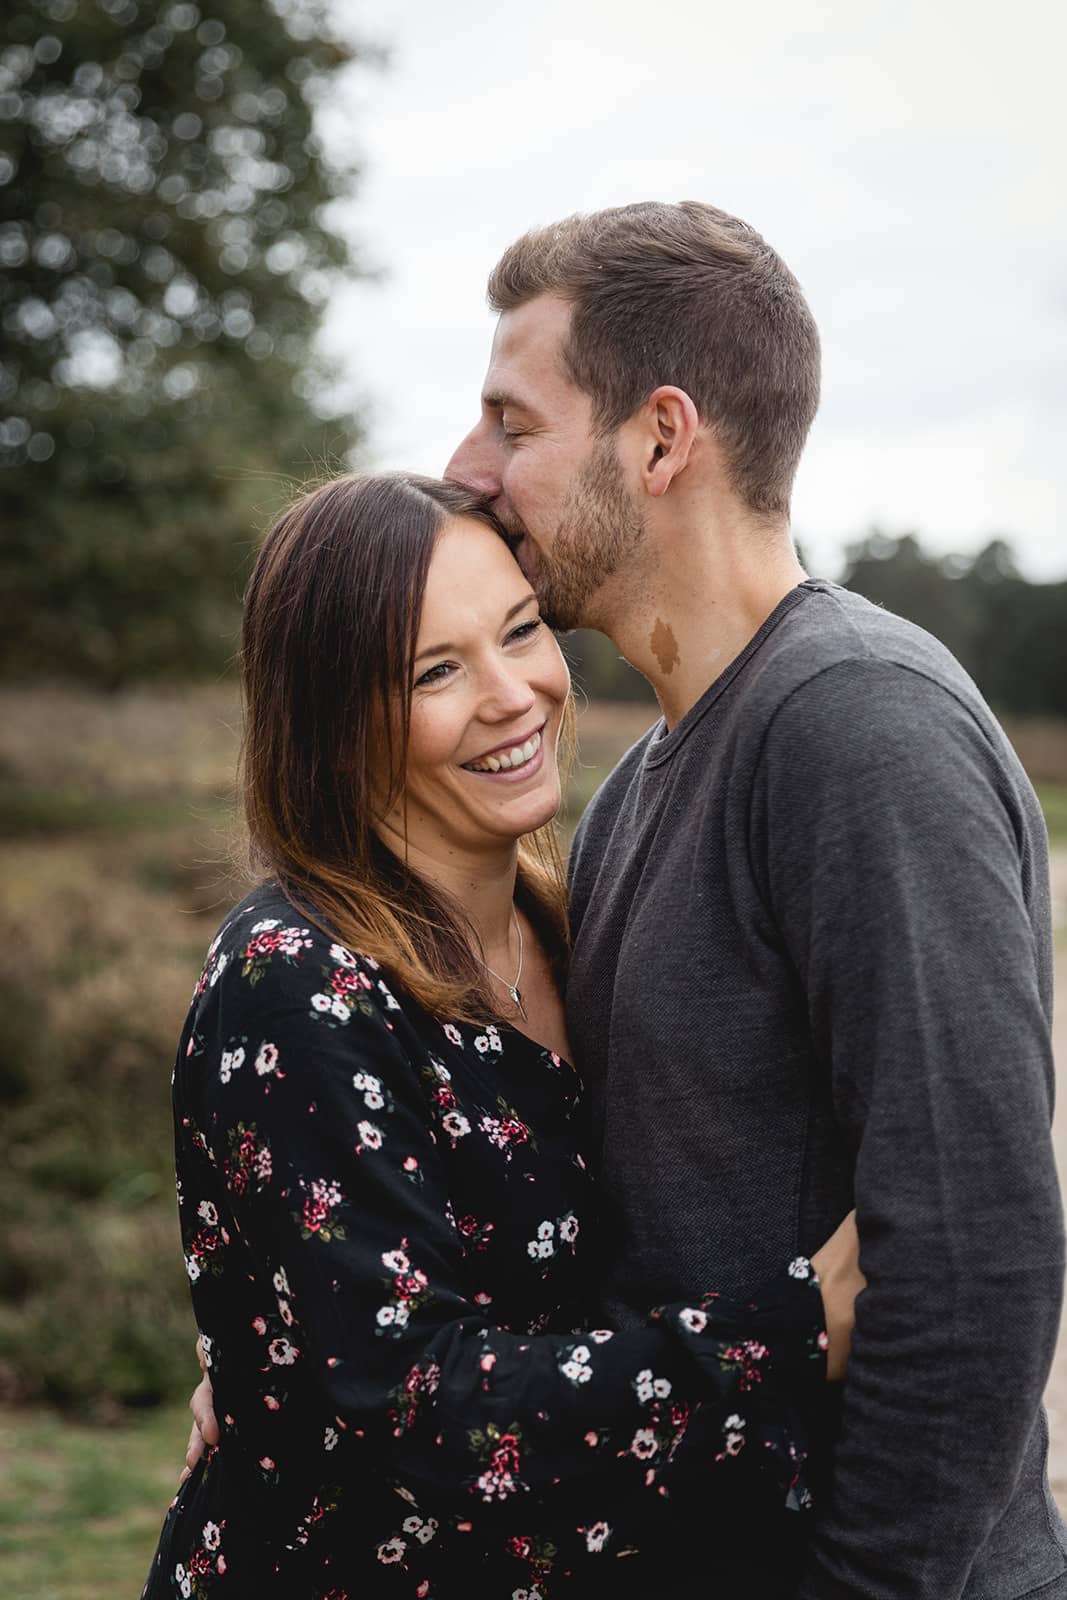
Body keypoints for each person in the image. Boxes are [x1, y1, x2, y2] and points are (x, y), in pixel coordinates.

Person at [436, 201, 1066, 1598]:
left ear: (658, 439)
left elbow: (971, 1259)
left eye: (512, 425)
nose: (465, 469)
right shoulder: (650, 772)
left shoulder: (853, 728)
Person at [145, 470, 863, 1599]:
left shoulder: (567, 923)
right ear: (333, 722)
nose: (512, 693)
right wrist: (790, 1331)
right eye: (434, 670)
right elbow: (421, 1408)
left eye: (519, 630)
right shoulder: (297, 984)